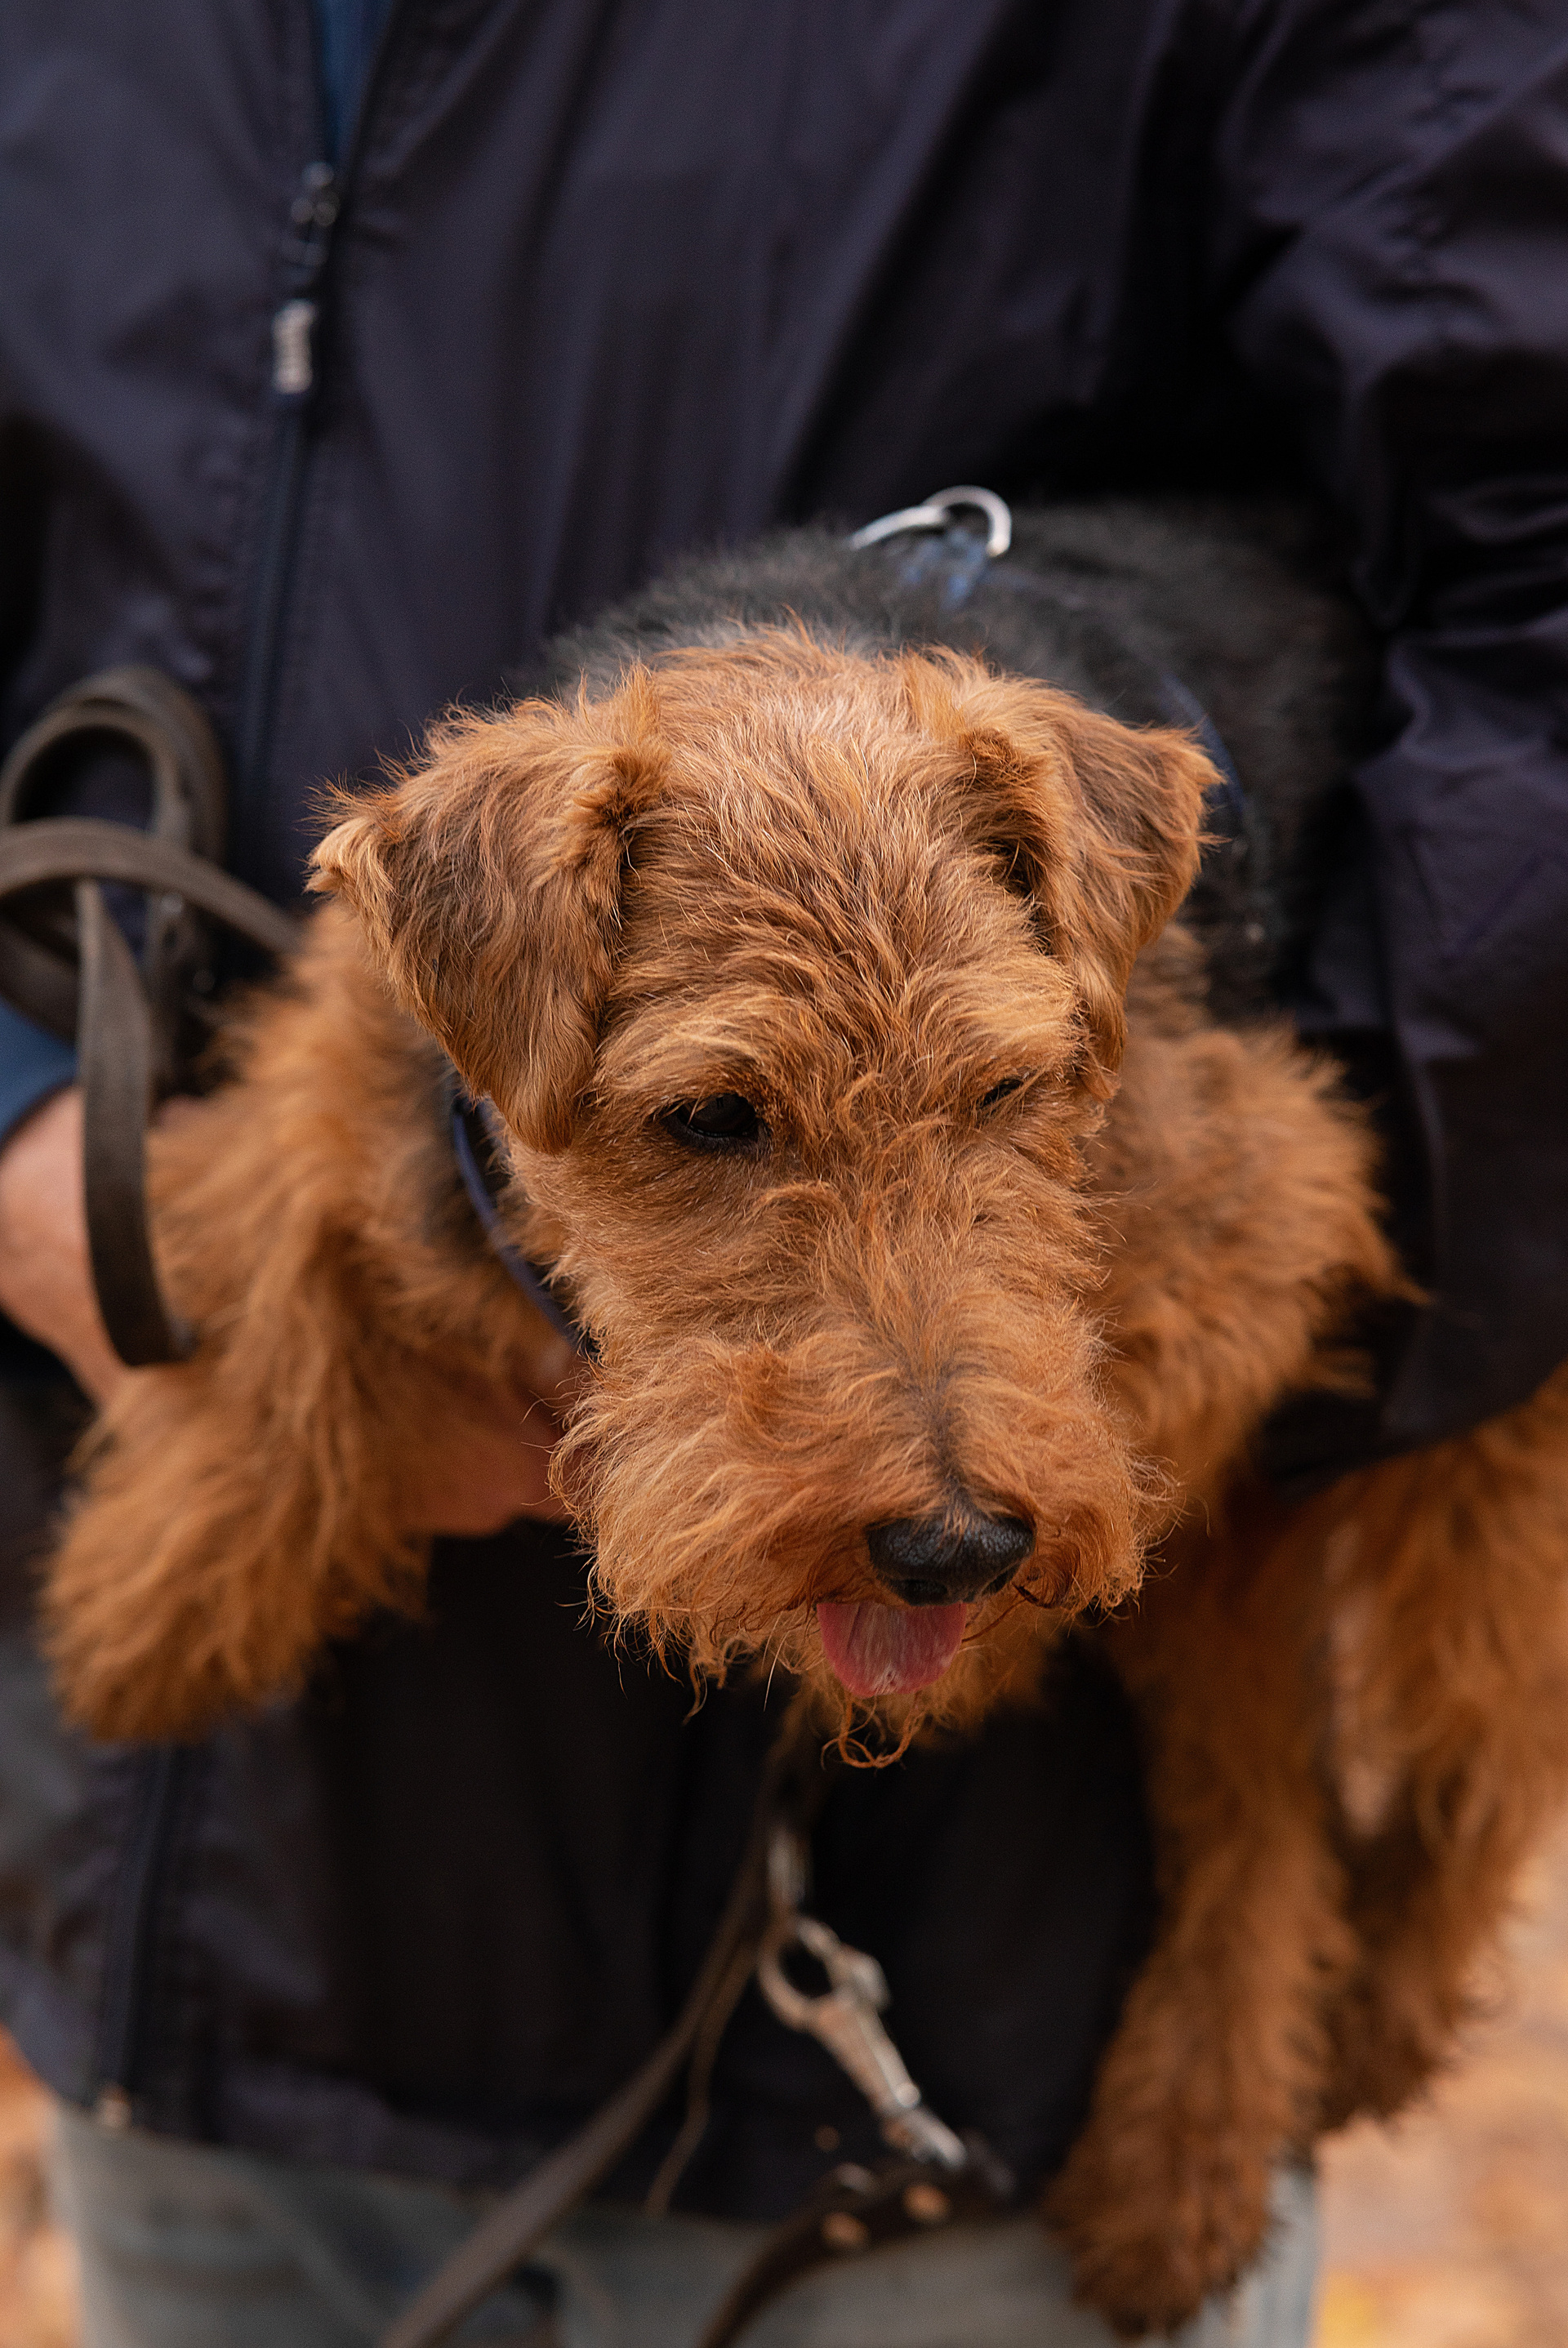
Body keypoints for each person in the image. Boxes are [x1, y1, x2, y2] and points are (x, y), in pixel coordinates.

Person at [1, 2, 1565, 2341]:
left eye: (1007, 1095)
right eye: (719, 1121)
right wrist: (22, 1118)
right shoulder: (491, 900)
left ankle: (1322, 1921)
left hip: (945, 2089)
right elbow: (357, 1052)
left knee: (1296, 1514)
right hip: (202, 1997)